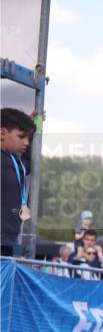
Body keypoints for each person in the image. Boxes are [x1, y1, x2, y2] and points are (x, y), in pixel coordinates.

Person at [1, 107, 36, 257]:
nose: (26, 142)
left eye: (28, 138)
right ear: (2, 133)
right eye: (21, 136)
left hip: (8, 242)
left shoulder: (16, 163)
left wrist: (31, 128)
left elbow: (27, 161)